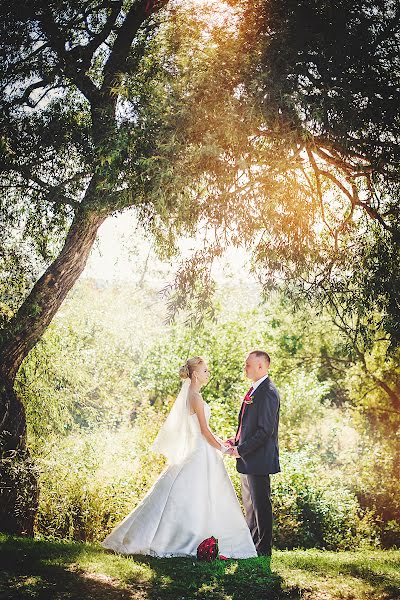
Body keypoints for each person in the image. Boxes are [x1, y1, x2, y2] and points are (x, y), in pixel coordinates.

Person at [101, 356, 257, 558]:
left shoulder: (191, 395)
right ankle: (187, 538)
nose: (208, 374)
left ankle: (190, 535)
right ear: (195, 375)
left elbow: (206, 431)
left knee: (191, 495)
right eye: (205, 371)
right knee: (199, 496)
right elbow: (204, 431)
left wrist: (223, 443)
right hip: (201, 451)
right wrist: (225, 450)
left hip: (200, 449)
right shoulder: (196, 398)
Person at [225, 350, 280, 557]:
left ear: (261, 366)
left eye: (248, 364)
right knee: (250, 506)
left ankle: (264, 550)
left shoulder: (268, 392)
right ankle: (252, 546)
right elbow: (248, 426)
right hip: (248, 458)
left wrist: (241, 450)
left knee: (261, 505)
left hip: (259, 459)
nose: (245, 367)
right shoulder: (254, 390)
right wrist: (236, 441)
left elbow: (265, 431)